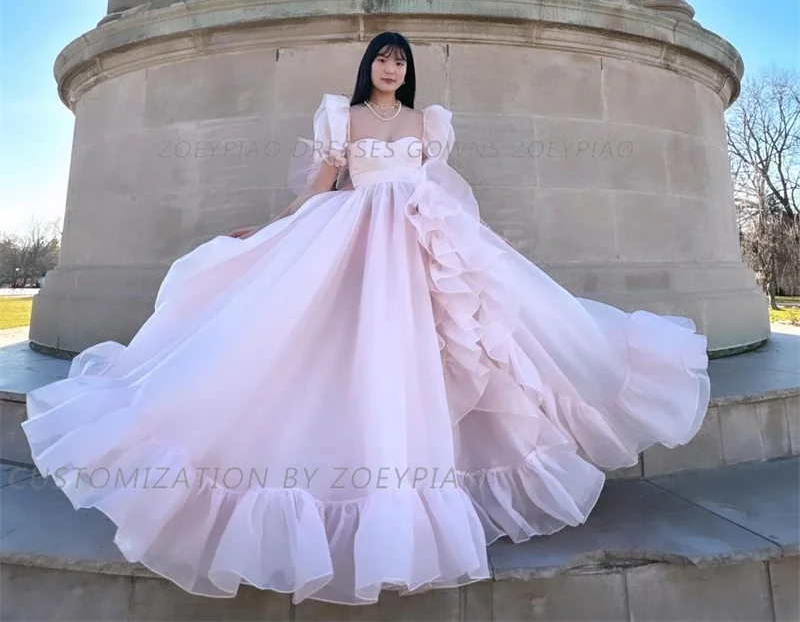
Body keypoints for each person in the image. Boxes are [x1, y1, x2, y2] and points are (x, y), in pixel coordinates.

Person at [21, 31, 710, 607]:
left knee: (449, 347)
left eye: (400, 60)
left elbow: (442, 189)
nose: (391, 67)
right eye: (383, 57)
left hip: (418, 240)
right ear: (368, 66)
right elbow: (322, 185)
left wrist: (466, 246)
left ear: (408, 72)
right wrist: (269, 228)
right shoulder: (341, 119)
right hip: (355, 235)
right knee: (349, 346)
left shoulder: (427, 124)